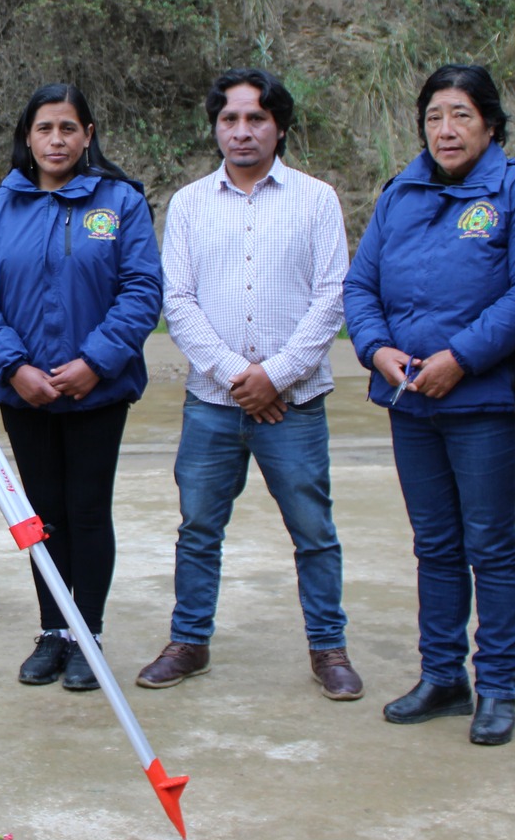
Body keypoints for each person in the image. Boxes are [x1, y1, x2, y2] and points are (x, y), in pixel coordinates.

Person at [343, 65, 515, 746]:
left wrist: (460, 358)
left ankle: (497, 684)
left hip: (488, 404)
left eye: (462, 114)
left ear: (490, 124)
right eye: (435, 115)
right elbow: (361, 285)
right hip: (410, 401)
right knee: (435, 543)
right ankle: (442, 675)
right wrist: (377, 349)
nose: (446, 129)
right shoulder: (399, 196)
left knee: (491, 544)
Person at [137, 68, 361, 700]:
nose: (241, 131)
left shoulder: (316, 200)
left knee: (313, 531)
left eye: (255, 119)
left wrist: (277, 376)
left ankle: (329, 649)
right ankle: (189, 641)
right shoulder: (187, 204)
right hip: (214, 403)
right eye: (230, 119)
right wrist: (240, 377)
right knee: (198, 528)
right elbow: (176, 301)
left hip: (295, 404)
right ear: (216, 127)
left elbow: (331, 297)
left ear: (280, 127)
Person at [0, 84, 163, 691]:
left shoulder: (120, 204)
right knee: (42, 516)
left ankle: (87, 634)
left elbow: (141, 290)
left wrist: (94, 362)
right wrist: (14, 365)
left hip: (97, 391)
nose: (56, 140)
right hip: (26, 393)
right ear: (27, 136)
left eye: (69, 128)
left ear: (89, 136)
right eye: (45, 129)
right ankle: (53, 631)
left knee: (88, 511)